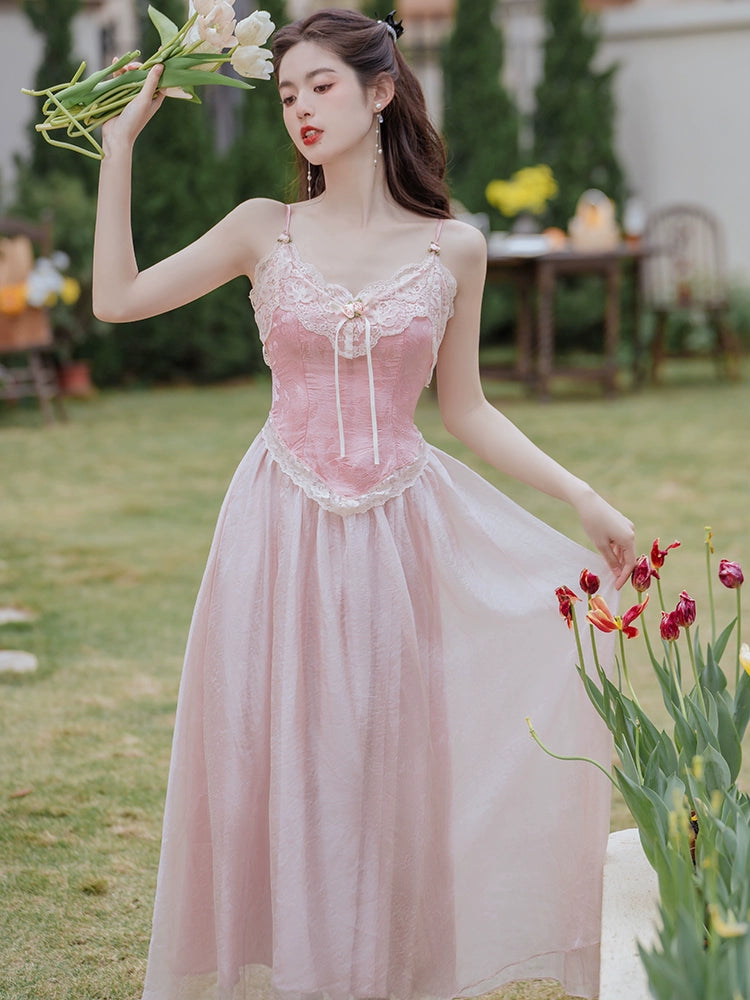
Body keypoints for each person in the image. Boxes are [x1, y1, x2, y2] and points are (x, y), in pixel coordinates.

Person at [92, 8, 636, 1000]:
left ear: (380, 92)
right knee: (285, 768)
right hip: (274, 530)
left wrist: (581, 494)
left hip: (397, 531)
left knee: (383, 780)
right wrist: (119, 148)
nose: (299, 107)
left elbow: (466, 408)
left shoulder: (454, 248)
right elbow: (116, 301)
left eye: (320, 87)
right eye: (287, 92)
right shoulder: (265, 227)